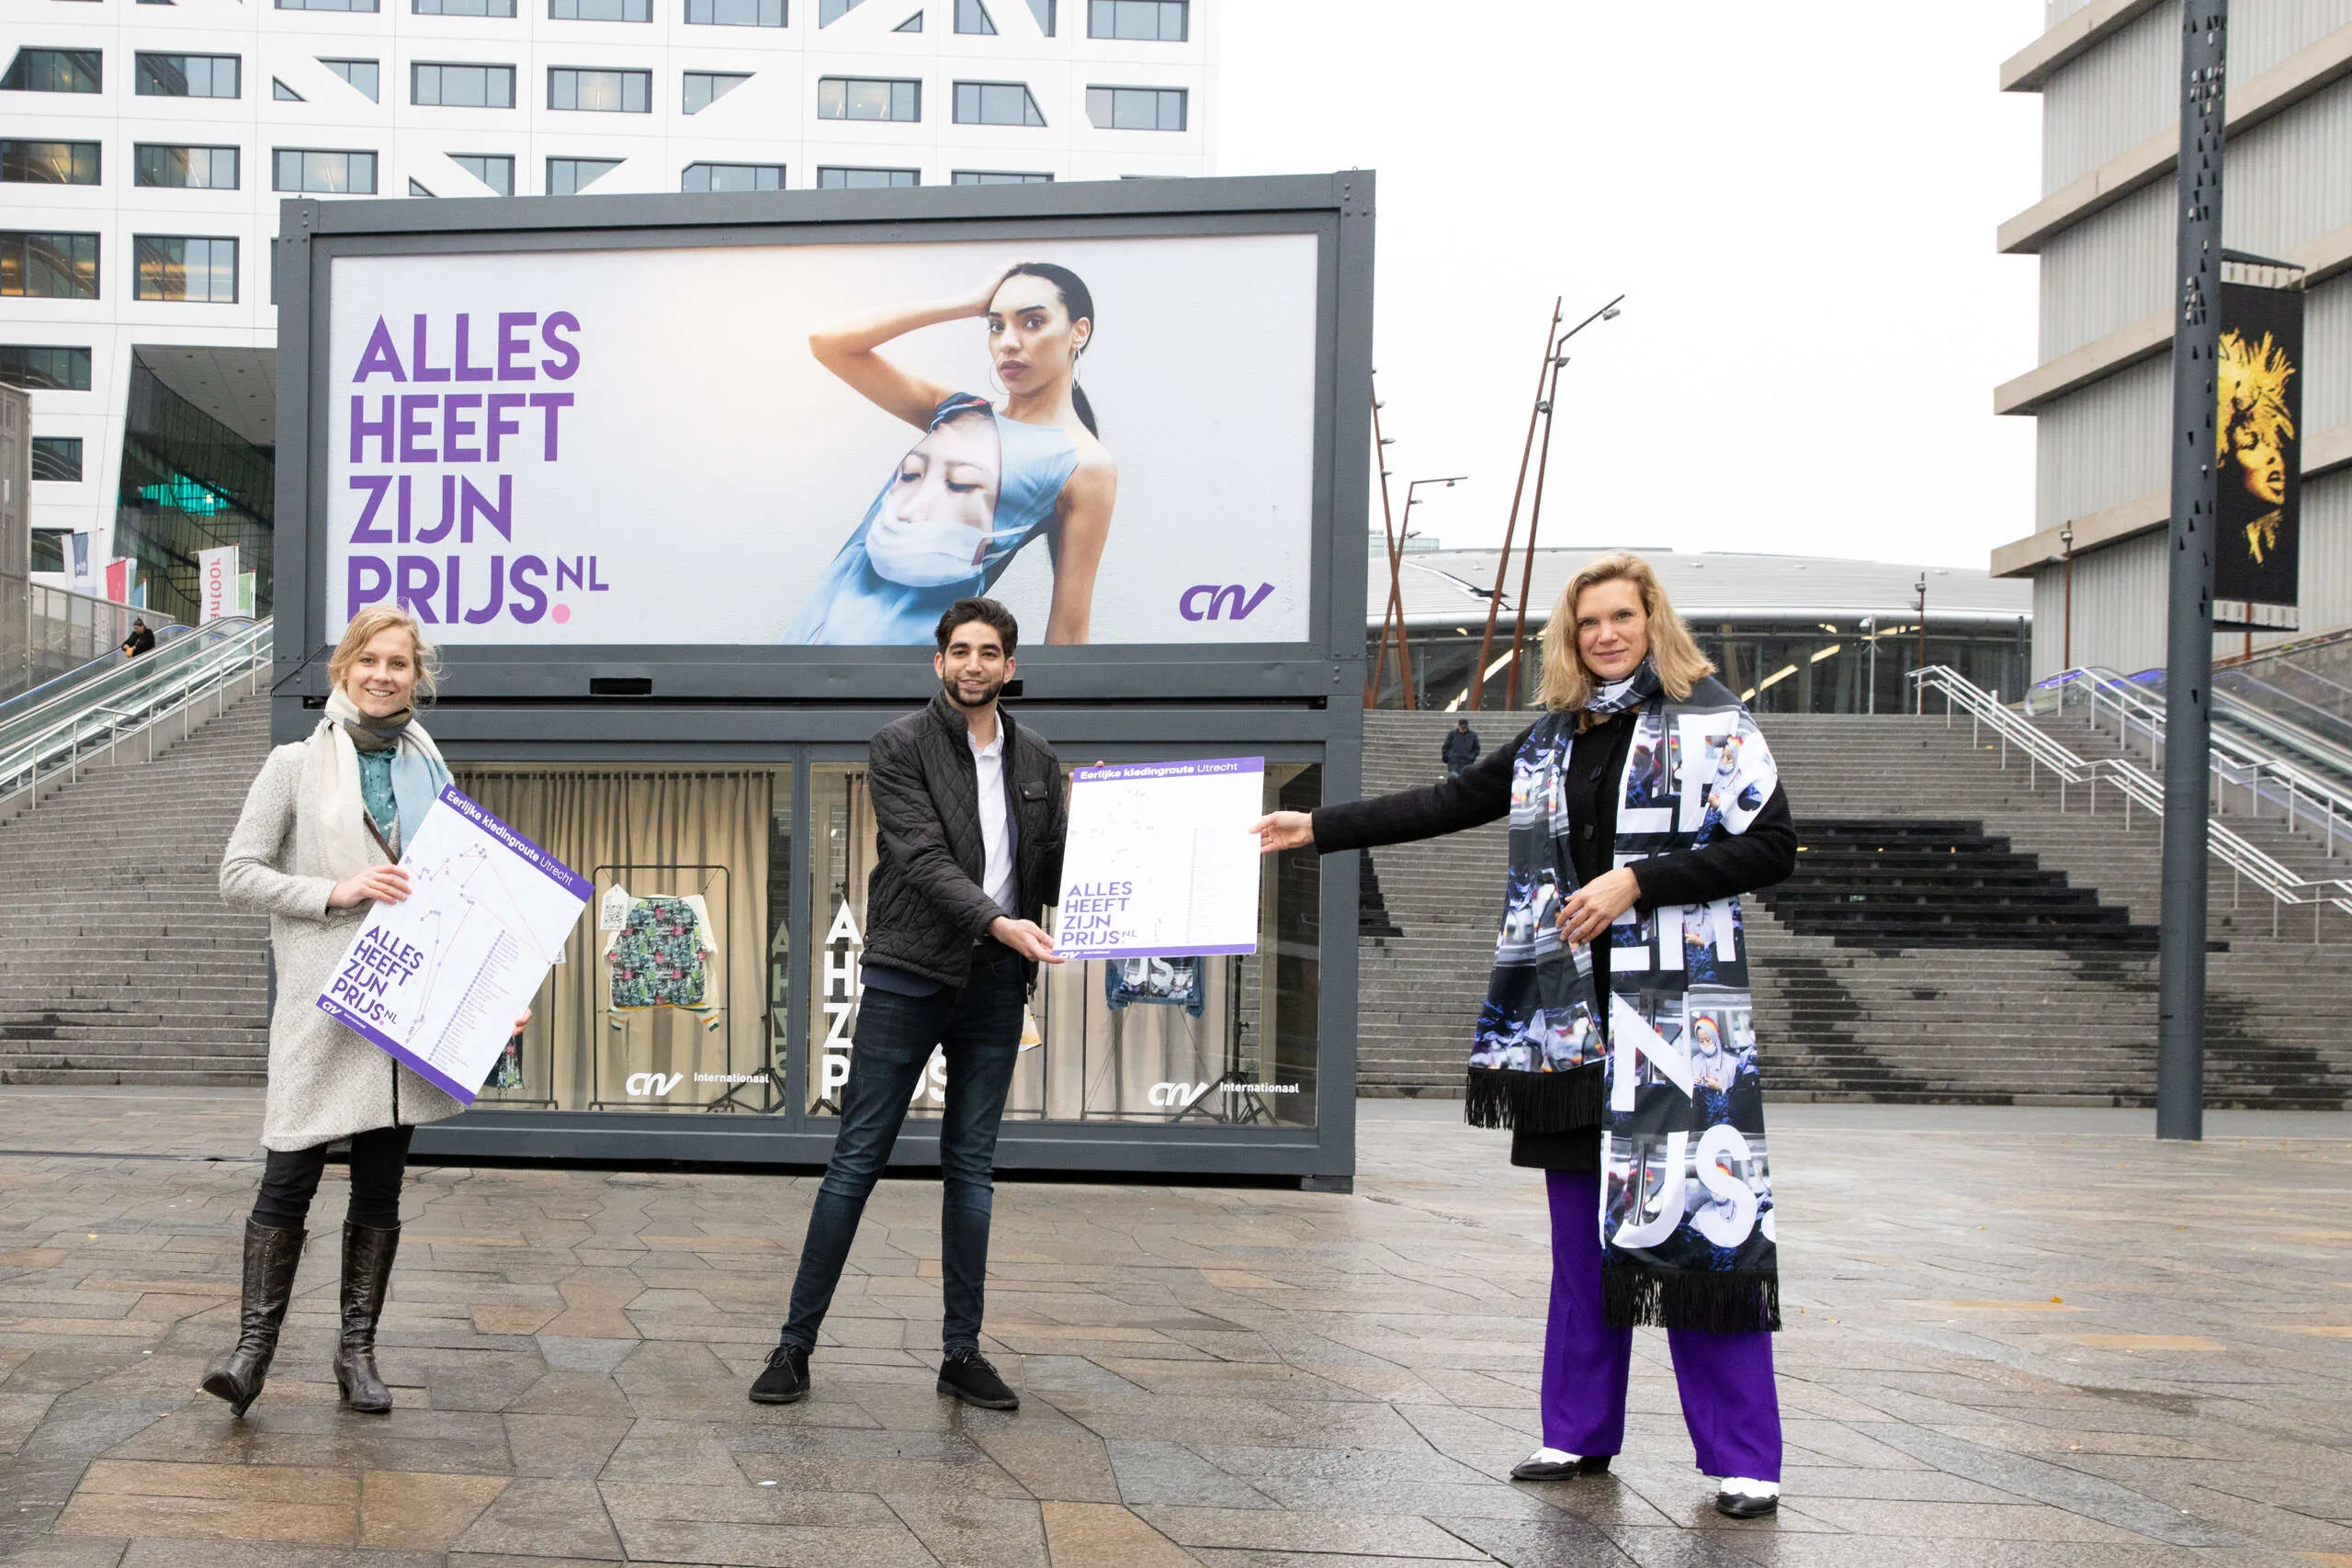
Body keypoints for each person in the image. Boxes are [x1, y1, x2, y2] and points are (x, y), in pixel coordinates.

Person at [1250, 552, 1797, 1519]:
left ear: (1652, 620)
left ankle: (1742, 1457)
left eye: (1620, 617)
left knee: (1701, 1235)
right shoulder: (1556, 737)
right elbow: (1452, 801)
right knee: (1580, 1248)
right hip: (1563, 1036)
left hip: (1673, 1032)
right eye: (1587, 622)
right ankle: (1576, 1431)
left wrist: (1639, 880)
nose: (1604, 635)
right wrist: (1318, 827)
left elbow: (1769, 846)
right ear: (1569, 635)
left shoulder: (1711, 722)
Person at [209, 605, 530, 1418]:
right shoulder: (292, 764)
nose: (385, 675)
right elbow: (238, 873)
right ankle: (251, 1353)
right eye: (370, 660)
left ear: (417, 677)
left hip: (404, 1008)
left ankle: (357, 1356)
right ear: (343, 668)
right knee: (289, 1176)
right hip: (324, 1008)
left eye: (399, 663)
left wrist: (493, 997)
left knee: (379, 1189)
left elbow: (467, 890)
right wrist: (334, 891)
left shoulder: (430, 762)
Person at [752, 595, 1068, 1413]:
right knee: (857, 1159)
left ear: (1009, 664)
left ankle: (961, 1352)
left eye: (988, 652)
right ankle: (794, 1346)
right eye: (959, 650)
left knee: (971, 1169)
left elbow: (1055, 872)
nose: (973, 664)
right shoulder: (899, 745)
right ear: (939, 661)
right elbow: (923, 857)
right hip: (908, 972)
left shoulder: (1039, 761)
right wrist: (1000, 920)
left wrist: (1110, 830)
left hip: (997, 982)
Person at [784, 264, 1119, 647]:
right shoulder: (959, 411)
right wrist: (967, 304)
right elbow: (828, 342)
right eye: (996, 326)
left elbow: (1069, 634)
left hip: (896, 683)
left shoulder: (1085, 463)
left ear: (1079, 332)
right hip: (803, 648)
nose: (1008, 342)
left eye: (1032, 322)